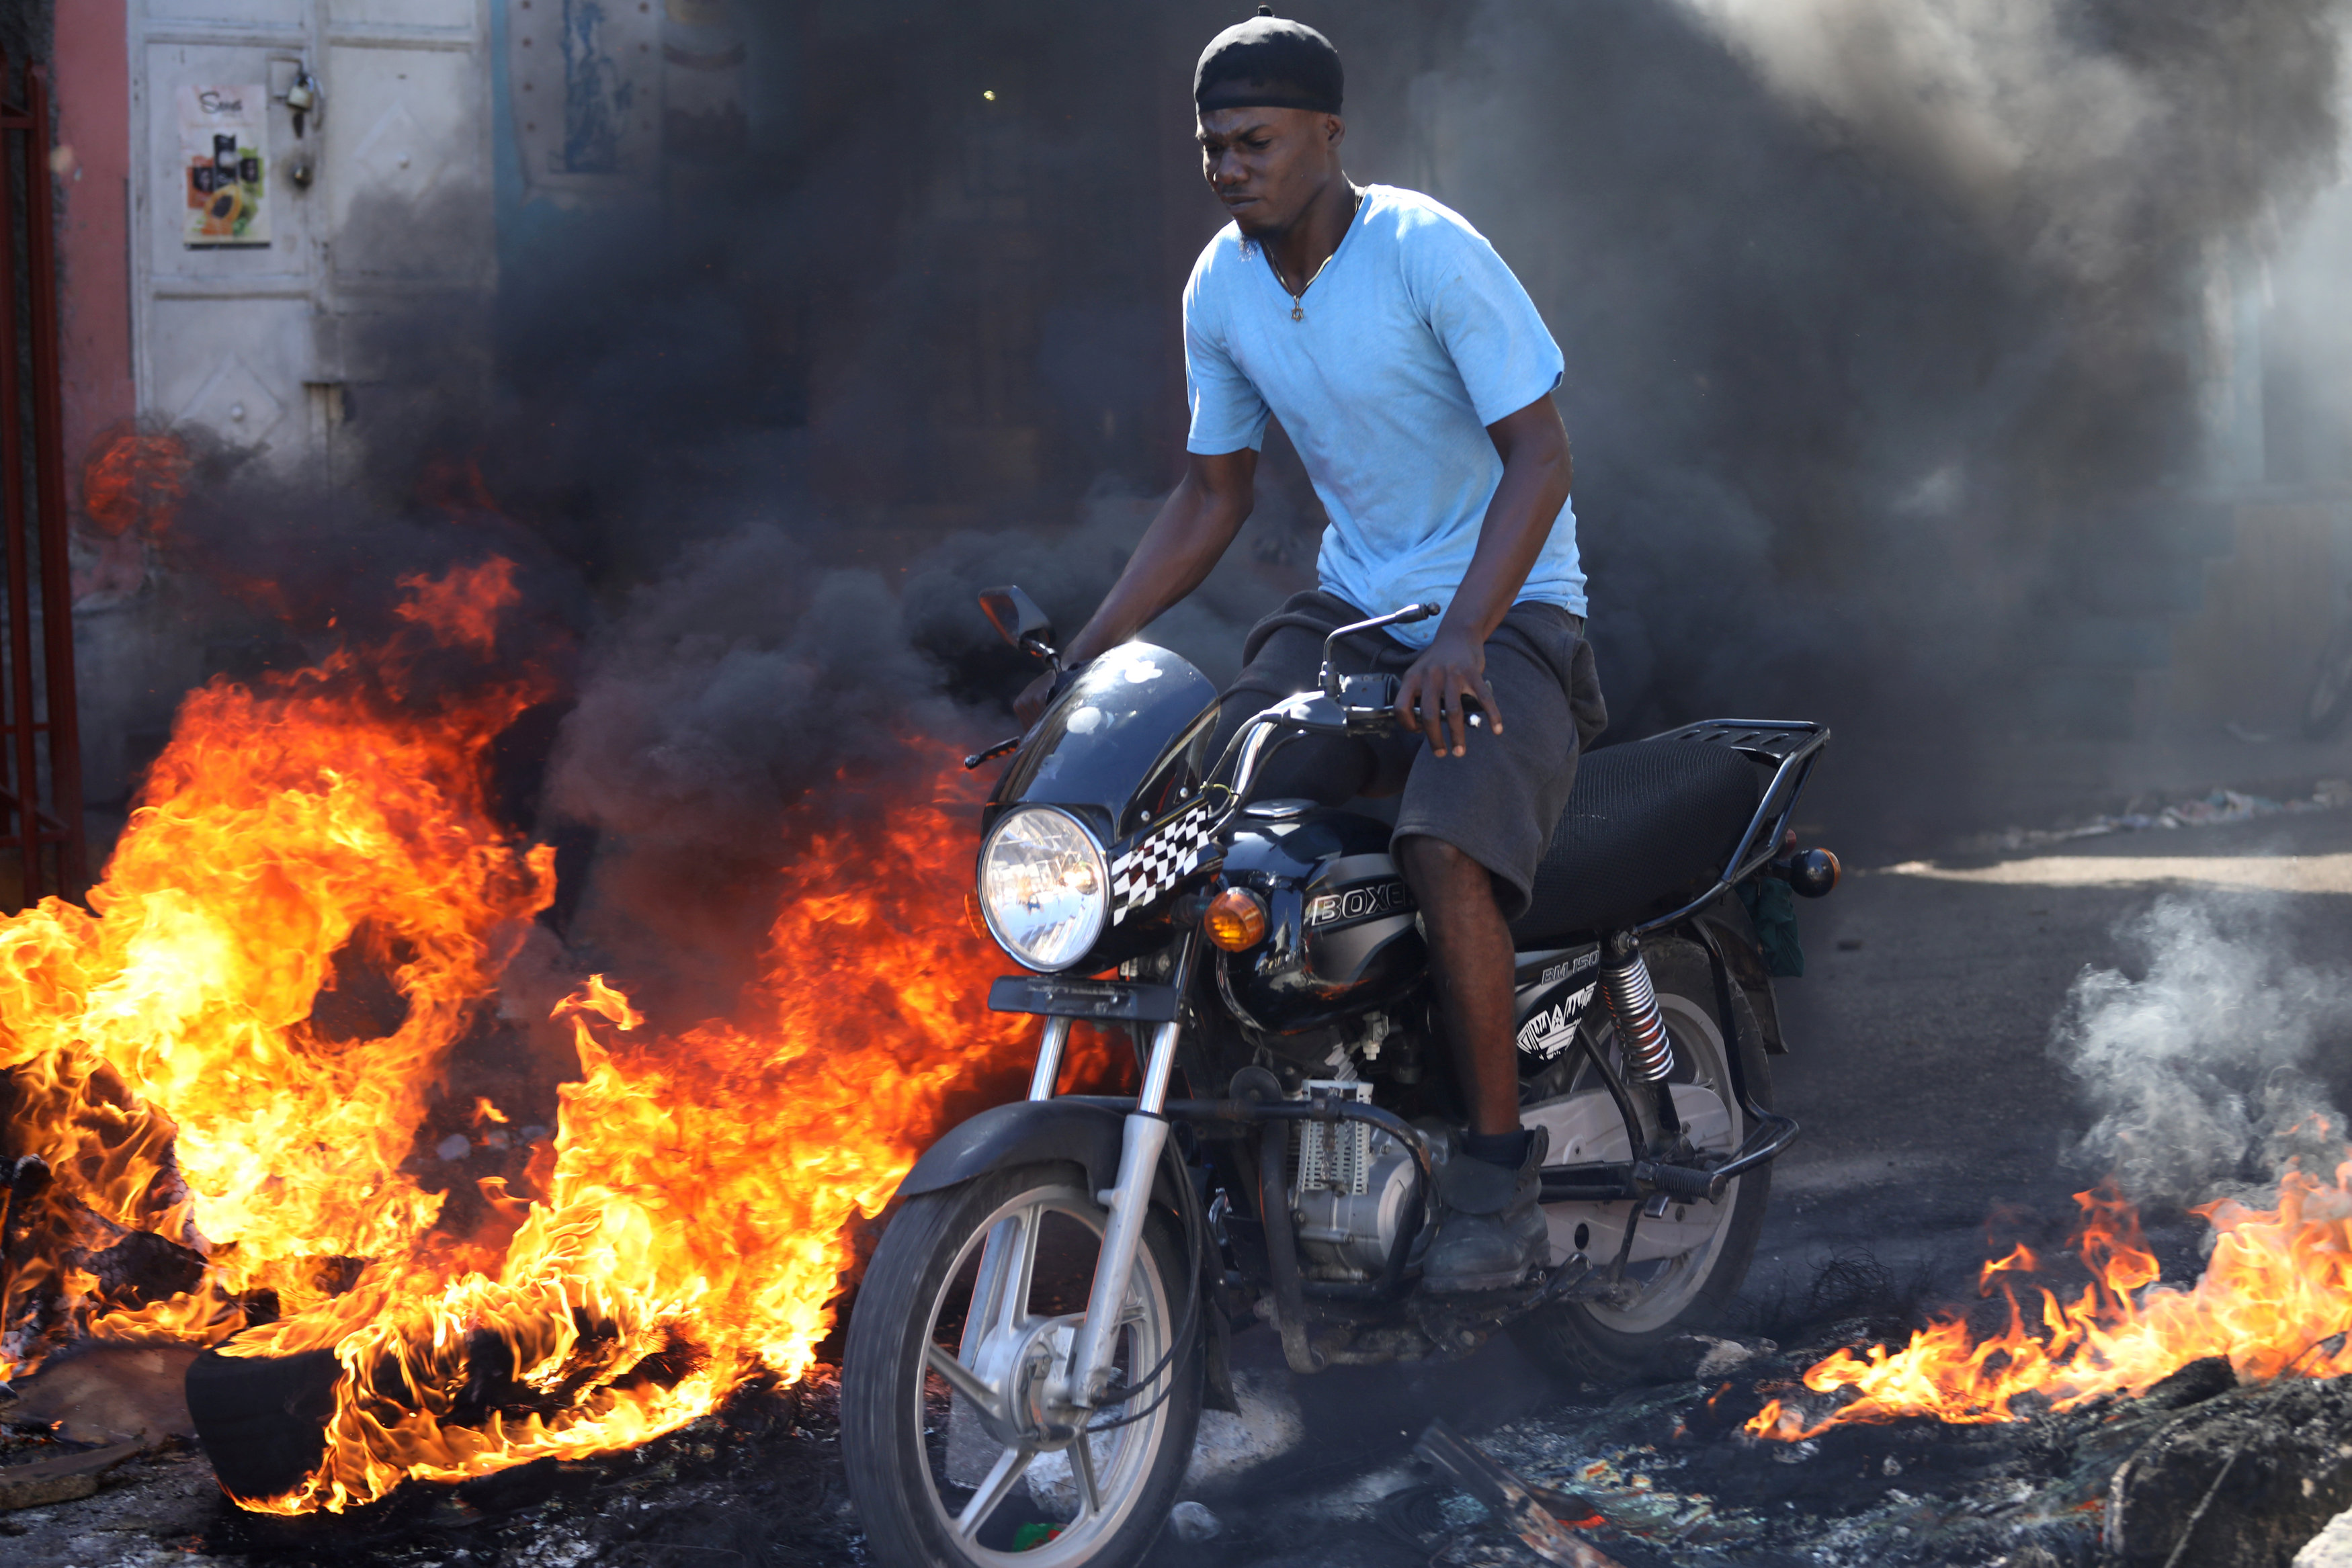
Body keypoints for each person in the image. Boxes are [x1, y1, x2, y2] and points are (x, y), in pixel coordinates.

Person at [1015, 9, 1607, 1293]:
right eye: (1214, 146)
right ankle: (1251, 1145)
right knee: (1199, 817)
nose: (1231, 166)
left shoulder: (1424, 250)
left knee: (1441, 841)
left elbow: (1543, 454)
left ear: (1328, 135)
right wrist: (1089, 659)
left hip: (1502, 614)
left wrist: (1462, 634)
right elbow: (1211, 496)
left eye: (1257, 140)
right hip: (1352, 607)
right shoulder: (1220, 285)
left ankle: (1495, 1177)